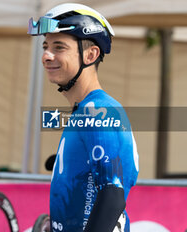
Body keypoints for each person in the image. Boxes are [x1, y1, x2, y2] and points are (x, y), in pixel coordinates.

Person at [28, 3, 139, 232]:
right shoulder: (84, 111)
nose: (47, 56)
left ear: (91, 54)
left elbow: (113, 195)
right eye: (45, 46)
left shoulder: (101, 112)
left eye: (59, 47)